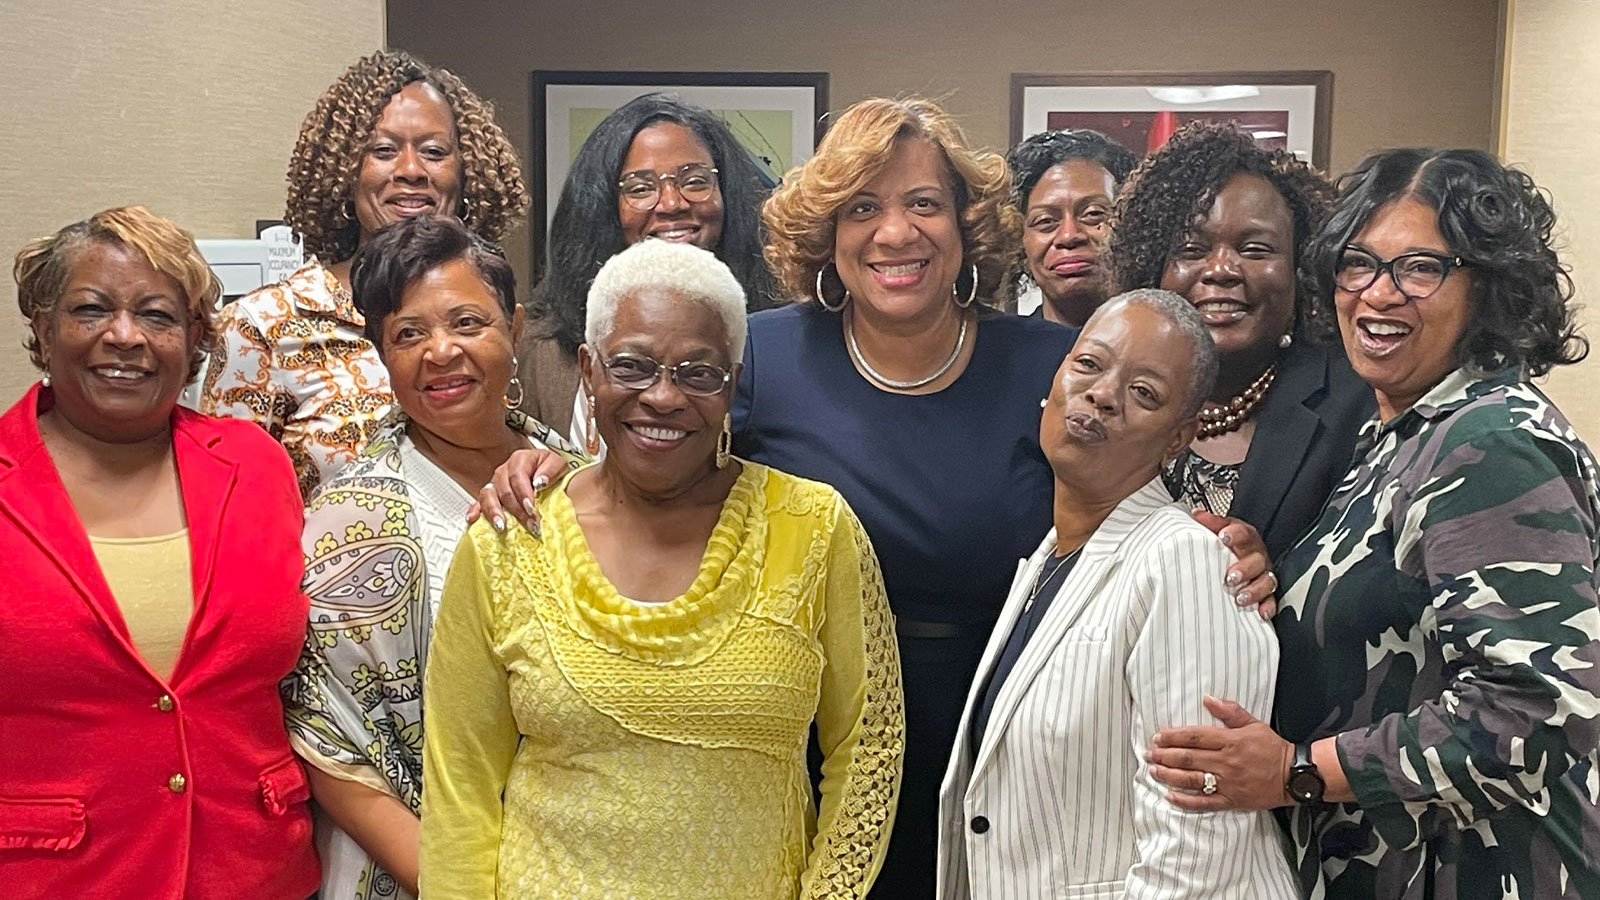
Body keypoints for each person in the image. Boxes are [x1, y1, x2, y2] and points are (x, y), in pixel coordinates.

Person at [473, 97, 1281, 898]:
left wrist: (1222, 545)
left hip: (1010, 746)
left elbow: (1134, 526)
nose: (895, 233)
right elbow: (654, 473)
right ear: (828, 233)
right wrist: (552, 471)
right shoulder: (762, 354)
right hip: (807, 743)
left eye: (923, 203)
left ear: (965, 225)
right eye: (862, 208)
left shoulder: (1054, 363)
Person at [1144, 149, 1600, 899]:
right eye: (1358, 264)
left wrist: (1295, 771)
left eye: (1420, 268)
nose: (1378, 294)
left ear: (1487, 284)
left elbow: (1537, 712)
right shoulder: (1400, 435)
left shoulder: (1490, 441)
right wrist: (1268, 570)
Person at [420, 239, 904, 900]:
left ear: (733, 382)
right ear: (588, 370)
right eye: (632, 366)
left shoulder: (815, 529)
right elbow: (461, 785)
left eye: (698, 373)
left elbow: (869, 746)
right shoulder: (508, 539)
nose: (664, 396)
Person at [938, 290, 1298, 899]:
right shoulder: (1048, 560)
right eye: (1088, 364)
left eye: (1144, 393)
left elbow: (1196, 851)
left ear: (1178, 438)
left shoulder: (1183, 560)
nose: (1103, 394)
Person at [1, 207, 317, 898]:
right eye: (92, 309)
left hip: (255, 873)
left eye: (157, 315)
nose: (125, 336)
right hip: (52, 879)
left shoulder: (257, 465)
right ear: (44, 328)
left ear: (195, 337)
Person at [280, 215, 579, 900]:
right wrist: (459, 885)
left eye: (468, 323)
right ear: (381, 355)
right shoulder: (347, 526)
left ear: (516, 328)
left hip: (575, 857)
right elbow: (330, 748)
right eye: (408, 334)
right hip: (421, 869)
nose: (440, 352)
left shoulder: (580, 477)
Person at [200, 49, 529, 499]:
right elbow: (227, 501)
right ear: (344, 173)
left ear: (465, 173)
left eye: (434, 152)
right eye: (384, 151)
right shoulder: (264, 327)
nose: (411, 170)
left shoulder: (487, 310)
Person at [1109, 121, 1375, 560]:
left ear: (1302, 269)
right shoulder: (1107, 394)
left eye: (1254, 250)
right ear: (1151, 269)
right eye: (1191, 250)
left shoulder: (1357, 409)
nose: (1221, 270)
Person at [520, 92, 780, 438]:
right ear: (601, 208)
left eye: (695, 181)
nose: (672, 203)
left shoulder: (775, 342)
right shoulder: (541, 349)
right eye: (640, 188)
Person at [1007, 129, 1139, 325]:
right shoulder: (996, 344)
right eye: (1045, 221)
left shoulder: (1176, 342)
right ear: (1019, 245)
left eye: (1093, 214)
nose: (1069, 236)